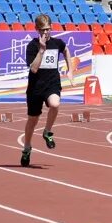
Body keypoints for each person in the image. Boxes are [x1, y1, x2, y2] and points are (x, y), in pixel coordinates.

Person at [21, 14, 74, 167]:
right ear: (37, 29)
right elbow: (34, 69)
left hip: (52, 83)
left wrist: (70, 70)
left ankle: (47, 132)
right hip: (35, 88)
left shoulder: (57, 43)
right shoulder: (32, 46)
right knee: (33, 120)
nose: (46, 33)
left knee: (55, 104)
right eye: (43, 30)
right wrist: (42, 51)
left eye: (48, 29)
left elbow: (66, 50)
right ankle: (27, 147)